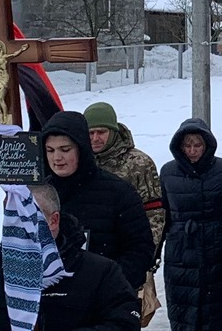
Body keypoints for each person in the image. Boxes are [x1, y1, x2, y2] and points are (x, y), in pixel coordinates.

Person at [0, 185, 143, 331]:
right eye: (10, 215)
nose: (17, 225)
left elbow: (125, 322)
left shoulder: (100, 272)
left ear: (53, 220)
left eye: (27, 216)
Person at [40, 112, 158, 290]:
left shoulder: (118, 192)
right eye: (50, 150)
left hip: (104, 299)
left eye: (65, 150)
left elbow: (140, 250)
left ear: (81, 149)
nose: (57, 158)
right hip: (49, 300)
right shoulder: (37, 193)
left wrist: (107, 283)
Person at [85, 102, 170, 325]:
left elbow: (154, 214)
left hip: (125, 258)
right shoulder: (79, 161)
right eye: (90, 133)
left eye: (101, 132)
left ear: (113, 131)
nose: (95, 138)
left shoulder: (138, 164)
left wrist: (142, 257)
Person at [158, 118, 222, 331]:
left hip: (215, 245)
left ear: (207, 145)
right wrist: (153, 253)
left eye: (198, 145)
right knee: (183, 308)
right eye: (188, 146)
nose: (193, 151)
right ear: (179, 146)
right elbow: (163, 214)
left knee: (217, 307)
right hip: (180, 248)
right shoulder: (168, 171)